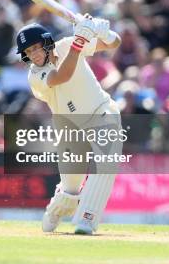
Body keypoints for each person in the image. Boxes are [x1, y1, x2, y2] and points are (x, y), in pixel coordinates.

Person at [15, 13, 122, 235]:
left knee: (107, 160)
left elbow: (114, 44)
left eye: (36, 47)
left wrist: (105, 33)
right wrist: (80, 40)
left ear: (46, 42)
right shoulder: (35, 76)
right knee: (70, 188)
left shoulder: (66, 45)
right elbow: (61, 76)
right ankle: (55, 211)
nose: (33, 54)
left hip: (100, 111)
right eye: (28, 51)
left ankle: (87, 220)